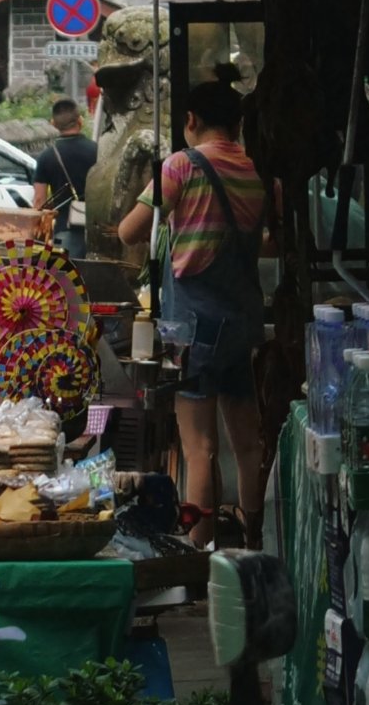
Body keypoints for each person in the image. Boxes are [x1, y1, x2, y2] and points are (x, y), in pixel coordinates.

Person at [118, 72, 270, 544]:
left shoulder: (181, 167)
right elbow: (269, 241)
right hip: (242, 321)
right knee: (247, 443)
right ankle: (252, 537)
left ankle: (198, 552)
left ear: (191, 119)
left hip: (195, 328)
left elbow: (129, 231)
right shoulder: (258, 171)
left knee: (199, 446)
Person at [33, 95, 96, 241]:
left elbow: (39, 202)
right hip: (95, 229)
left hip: (63, 231)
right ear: (80, 120)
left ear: (53, 123)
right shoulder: (98, 151)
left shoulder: (46, 157)